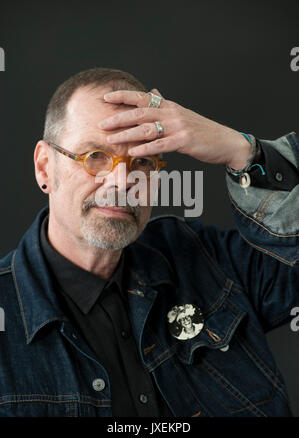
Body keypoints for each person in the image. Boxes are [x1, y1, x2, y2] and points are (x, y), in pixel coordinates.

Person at [0, 67, 298, 417]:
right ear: (43, 167)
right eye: (94, 156)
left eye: (140, 161)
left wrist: (242, 150)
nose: (122, 181)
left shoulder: (206, 260)